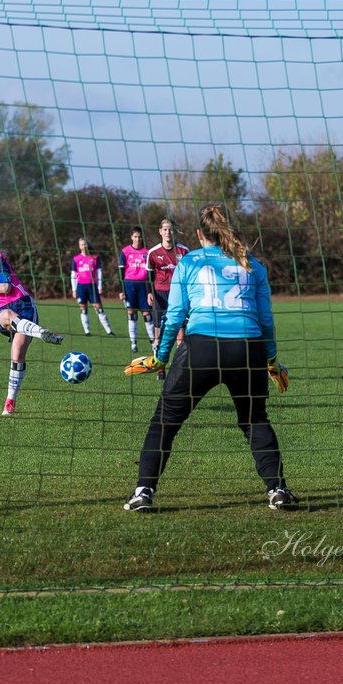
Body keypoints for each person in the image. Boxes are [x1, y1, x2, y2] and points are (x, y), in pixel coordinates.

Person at [123, 202, 295, 513]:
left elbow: (174, 316)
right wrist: (270, 361)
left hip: (202, 348)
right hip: (248, 348)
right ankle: (278, 489)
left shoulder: (188, 261)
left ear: (200, 234)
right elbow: (266, 320)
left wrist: (160, 358)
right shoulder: (251, 263)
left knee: (165, 422)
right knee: (255, 419)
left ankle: (143, 492)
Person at [0, 225, 63, 416]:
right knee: (6, 315)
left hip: (23, 305)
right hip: (1, 310)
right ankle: (41, 332)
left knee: (16, 356)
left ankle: (10, 402)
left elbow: (6, 287)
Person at [146, 218, 189, 376]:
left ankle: (179, 367)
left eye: (170, 229)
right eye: (165, 229)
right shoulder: (153, 252)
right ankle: (160, 366)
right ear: (160, 231)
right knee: (159, 331)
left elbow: (189, 275)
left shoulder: (184, 251)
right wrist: (149, 292)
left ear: (174, 231)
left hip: (179, 294)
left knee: (181, 332)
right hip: (160, 294)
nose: (167, 232)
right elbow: (149, 275)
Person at [118, 226, 154, 353]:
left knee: (148, 316)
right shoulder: (125, 251)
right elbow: (121, 272)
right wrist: (121, 290)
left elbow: (150, 273)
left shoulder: (148, 252)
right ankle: (133, 343)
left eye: (139, 237)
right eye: (135, 236)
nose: (137, 239)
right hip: (129, 286)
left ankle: (153, 343)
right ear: (131, 237)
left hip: (143, 286)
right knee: (132, 315)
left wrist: (151, 290)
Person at [71, 237, 114, 337]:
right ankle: (87, 331)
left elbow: (99, 272)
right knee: (83, 308)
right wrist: (74, 289)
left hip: (93, 287)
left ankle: (109, 331)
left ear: (88, 245)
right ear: (79, 246)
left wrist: (100, 286)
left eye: (85, 244)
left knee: (98, 308)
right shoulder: (76, 259)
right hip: (81, 287)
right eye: (82, 244)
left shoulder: (94, 258)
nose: (84, 246)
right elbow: (73, 275)